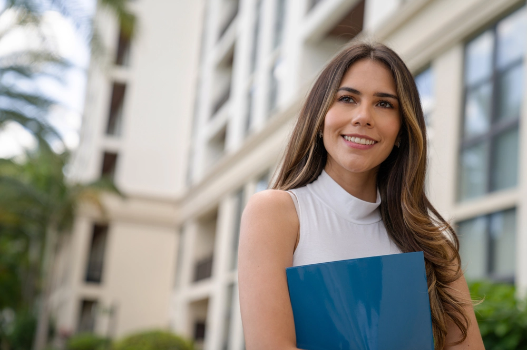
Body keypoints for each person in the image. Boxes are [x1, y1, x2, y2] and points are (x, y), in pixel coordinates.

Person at [237, 41, 484, 350]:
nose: (363, 116)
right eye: (347, 98)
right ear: (320, 117)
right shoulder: (275, 213)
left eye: (384, 104)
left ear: (401, 131)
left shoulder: (434, 246)